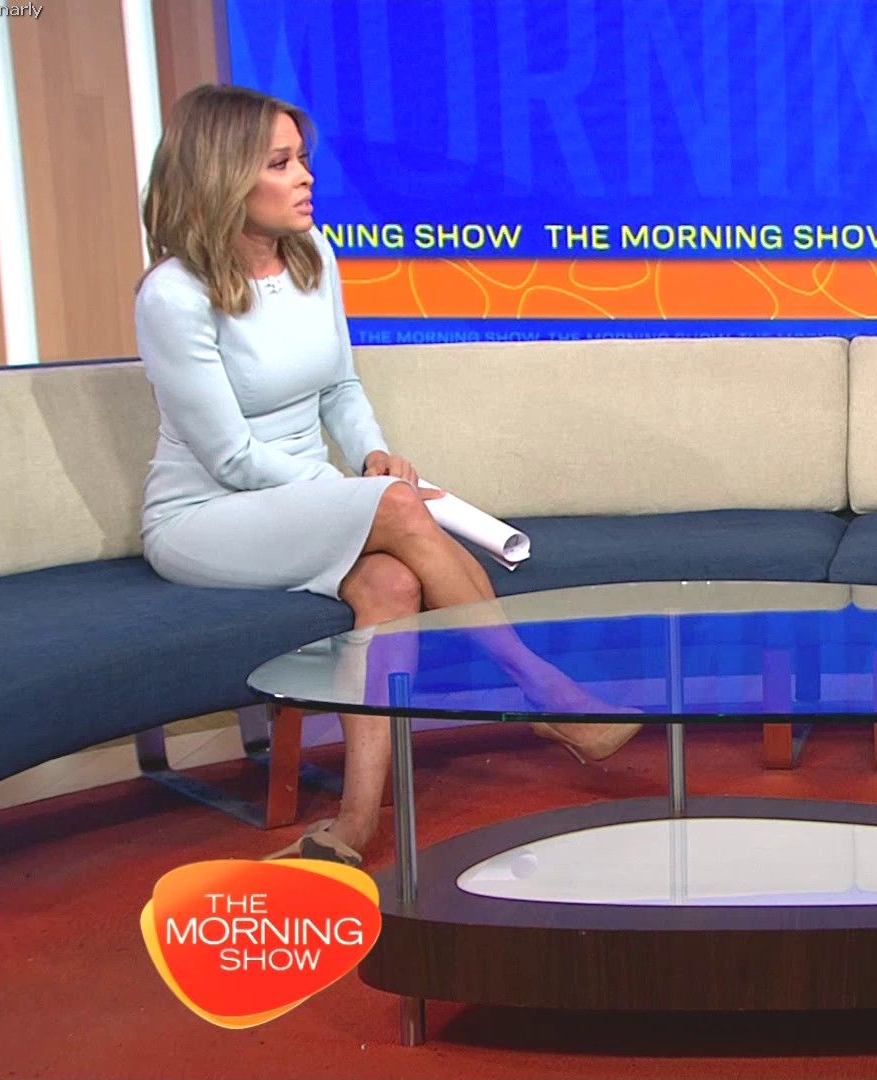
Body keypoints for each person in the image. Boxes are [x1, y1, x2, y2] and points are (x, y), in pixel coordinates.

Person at [135, 85, 639, 867]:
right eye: (280, 163)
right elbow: (230, 457)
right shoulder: (174, 295)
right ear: (224, 176)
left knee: (393, 585)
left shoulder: (312, 255)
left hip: (301, 499)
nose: (306, 176)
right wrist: (364, 495)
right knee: (400, 509)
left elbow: (339, 387)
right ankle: (550, 696)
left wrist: (371, 454)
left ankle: (354, 824)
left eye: (303, 158)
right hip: (205, 516)